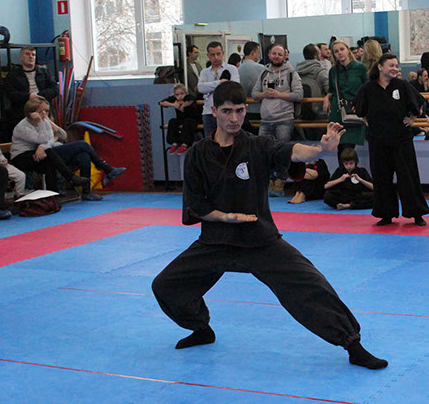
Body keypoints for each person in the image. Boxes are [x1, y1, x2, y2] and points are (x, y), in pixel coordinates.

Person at [151, 81, 387, 370]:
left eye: (240, 111)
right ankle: (200, 328)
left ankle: (352, 345)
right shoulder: (198, 154)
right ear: (214, 111)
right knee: (166, 285)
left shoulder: (257, 145)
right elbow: (196, 204)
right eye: (227, 111)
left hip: (258, 239)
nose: (234, 118)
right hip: (215, 240)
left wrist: (319, 149)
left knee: (310, 284)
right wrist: (226, 217)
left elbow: (291, 151)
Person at [354, 53, 429, 227]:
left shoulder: (402, 85)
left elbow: (419, 102)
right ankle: (386, 214)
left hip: (401, 139)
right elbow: (359, 108)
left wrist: (412, 119)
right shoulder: (369, 88)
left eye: (397, 66)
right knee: (381, 178)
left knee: (408, 177)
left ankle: (416, 213)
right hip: (378, 140)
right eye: (391, 65)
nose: (395, 68)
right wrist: (367, 121)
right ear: (380, 67)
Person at [251, 43, 303, 196]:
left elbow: (299, 95)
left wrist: (279, 95)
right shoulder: (263, 73)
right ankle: (267, 182)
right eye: (274, 53)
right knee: (262, 153)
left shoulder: (292, 73)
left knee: (282, 154)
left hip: (284, 120)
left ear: (285, 56)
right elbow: (254, 94)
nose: (277, 56)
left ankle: (280, 183)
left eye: (280, 54)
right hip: (265, 121)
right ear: (269, 55)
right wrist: (264, 94)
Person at [10, 98, 86, 194]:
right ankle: (70, 177)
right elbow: (42, 140)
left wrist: (42, 147)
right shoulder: (22, 127)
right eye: (40, 111)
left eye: (46, 111)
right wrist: (40, 122)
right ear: (31, 113)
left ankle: (52, 194)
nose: (44, 114)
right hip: (20, 156)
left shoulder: (45, 122)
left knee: (50, 163)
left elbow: (50, 139)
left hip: (36, 153)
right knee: (50, 152)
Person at [2, 46, 59, 137]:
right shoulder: (13, 75)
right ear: (21, 57)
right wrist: (29, 96)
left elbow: (55, 89)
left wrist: (39, 96)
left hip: (44, 109)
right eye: (27, 54)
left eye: (33, 54)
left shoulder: (45, 72)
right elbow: (10, 94)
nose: (31, 57)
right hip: (22, 110)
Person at [324, 40, 368, 158]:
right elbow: (332, 89)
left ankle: (349, 169)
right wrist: (327, 97)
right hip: (338, 112)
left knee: (348, 149)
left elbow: (367, 88)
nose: (340, 53)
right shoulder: (333, 71)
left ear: (348, 50)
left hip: (354, 110)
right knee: (340, 148)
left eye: (342, 49)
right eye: (336, 51)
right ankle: (343, 169)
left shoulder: (360, 68)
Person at [198, 41, 240, 137]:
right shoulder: (204, 72)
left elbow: (234, 87)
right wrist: (220, 83)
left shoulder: (232, 69)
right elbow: (201, 88)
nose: (216, 57)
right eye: (212, 55)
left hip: (227, 111)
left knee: (228, 139)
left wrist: (209, 85)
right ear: (208, 56)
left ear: (223, 53)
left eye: (218, 54)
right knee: (209, 141)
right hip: (208, 112)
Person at [160, 83, 201, 155]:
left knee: (188, 122)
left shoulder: (188, 97)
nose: (180, 96)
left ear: (185, 93)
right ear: (175, 95)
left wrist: (183, 106)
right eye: (177, 95)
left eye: (182, 93)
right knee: (172, 121)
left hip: (192, 119)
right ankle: (174, 142)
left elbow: (192, 100)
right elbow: (161, 102)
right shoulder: (174, 99)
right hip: (181, 119)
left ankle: (185, 143)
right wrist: (173, 105)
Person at [238, 41, 265, 125]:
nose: (259, 55)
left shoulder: (238, 69)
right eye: (258, 52)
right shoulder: (261, 68)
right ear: (253, 53)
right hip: (258, 108)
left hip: (243, 109)